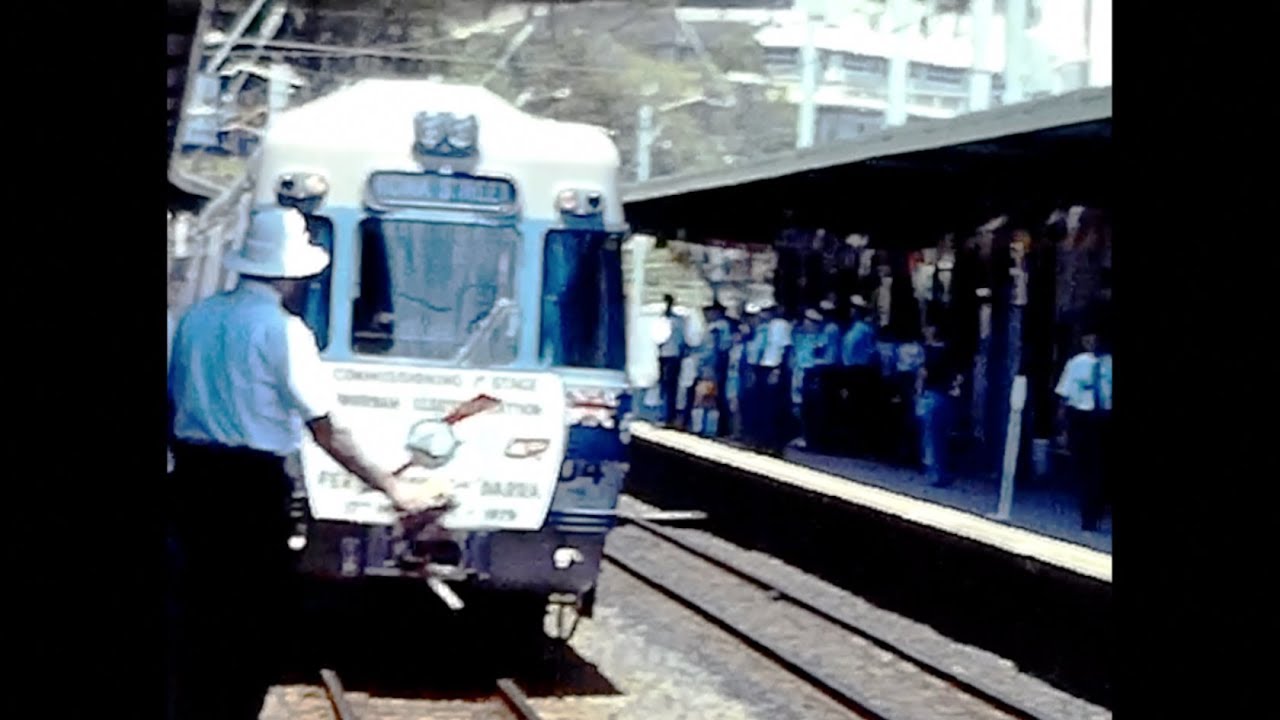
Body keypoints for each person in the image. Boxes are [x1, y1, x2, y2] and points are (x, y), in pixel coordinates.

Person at [167, 208, 447, 720]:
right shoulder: (283, 331)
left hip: (188, 484)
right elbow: (327, 426)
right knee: (246, 631)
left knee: (192, 626)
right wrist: (391, 484)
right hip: (250, 494)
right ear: (293, 276)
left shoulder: (197, 318)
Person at [1056, 326, 1113, 531]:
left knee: (1101, 467)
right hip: (1082, 417)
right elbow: (1064, 394)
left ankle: (1096, 507)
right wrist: (1062, 426)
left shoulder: (1109, 364)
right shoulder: (1077, 363)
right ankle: (1089, 513)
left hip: (1105, 419)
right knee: (1086, 466)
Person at [916, 318, 964, 487]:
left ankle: (934, 473)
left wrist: (918, 394)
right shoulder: (949, 352)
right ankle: (942, 471)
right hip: (945, 395)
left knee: (930, 437)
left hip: (931, 395)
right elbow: (958, 376)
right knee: (941, 437)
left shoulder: (929, 352)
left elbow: (922, 375)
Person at [656, 294, 687, 427]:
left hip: (673, 356)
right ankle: (665, 413)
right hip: (664, 355)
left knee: (670, 387)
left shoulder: (677, 321)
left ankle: (669, 416)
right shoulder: (663, 320)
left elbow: (680, 340)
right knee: (664, 386)